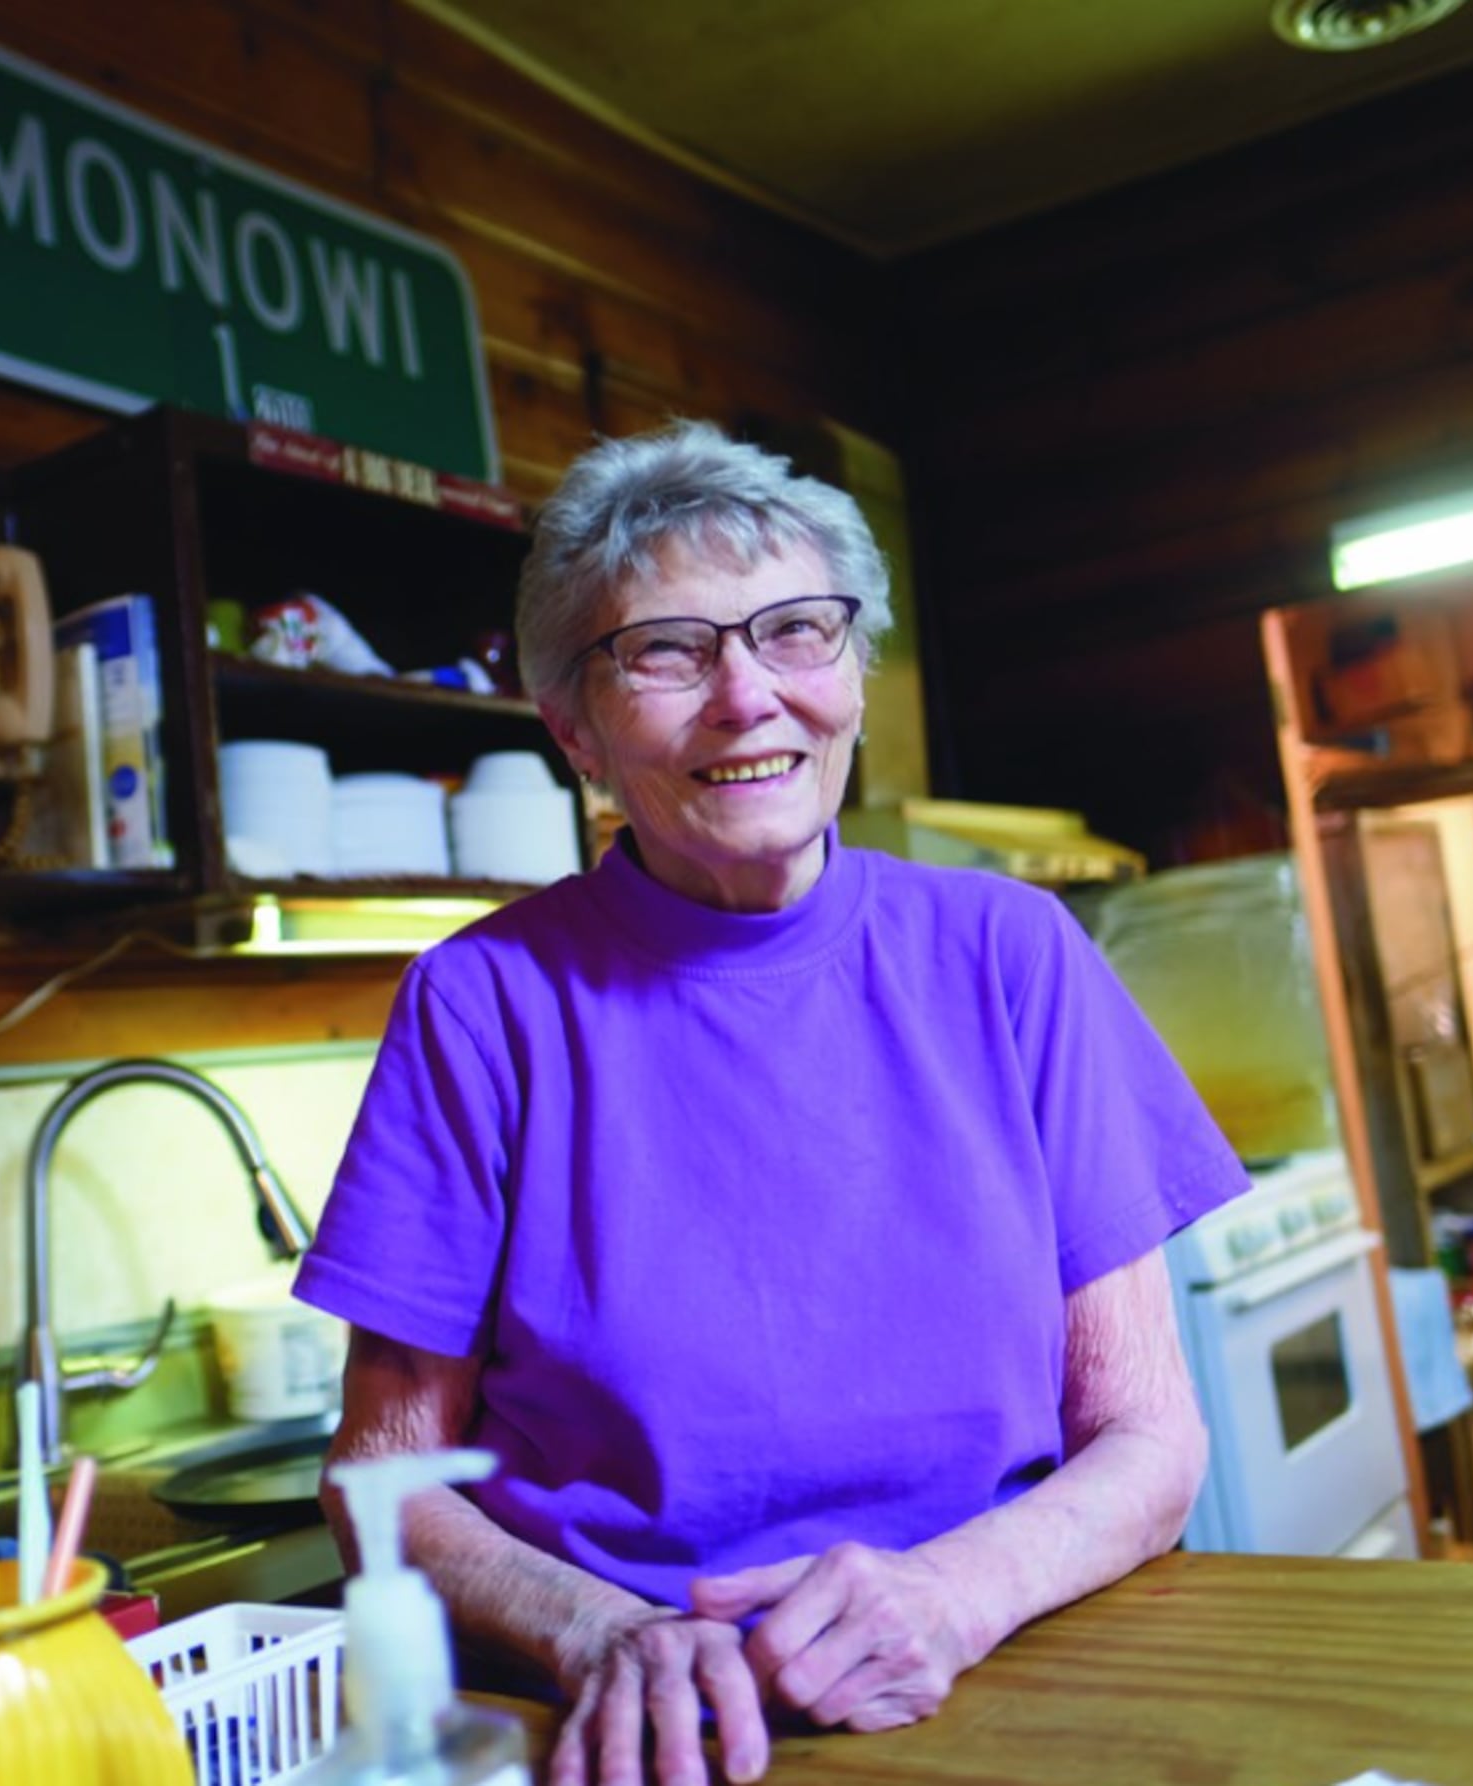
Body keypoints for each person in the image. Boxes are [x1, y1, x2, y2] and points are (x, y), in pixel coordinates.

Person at [292, 421, 1245, 1786]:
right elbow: (381, 1484)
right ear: (576, 729)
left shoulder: (1013, 953)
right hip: (642, 1725)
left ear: (852, 672)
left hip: (1008, 1666)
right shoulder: (481, 1004)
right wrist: (602, 1631)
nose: (748, 697)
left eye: (797, 631)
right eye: (669, 652)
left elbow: (1149, 1435)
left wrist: (957, 1594)